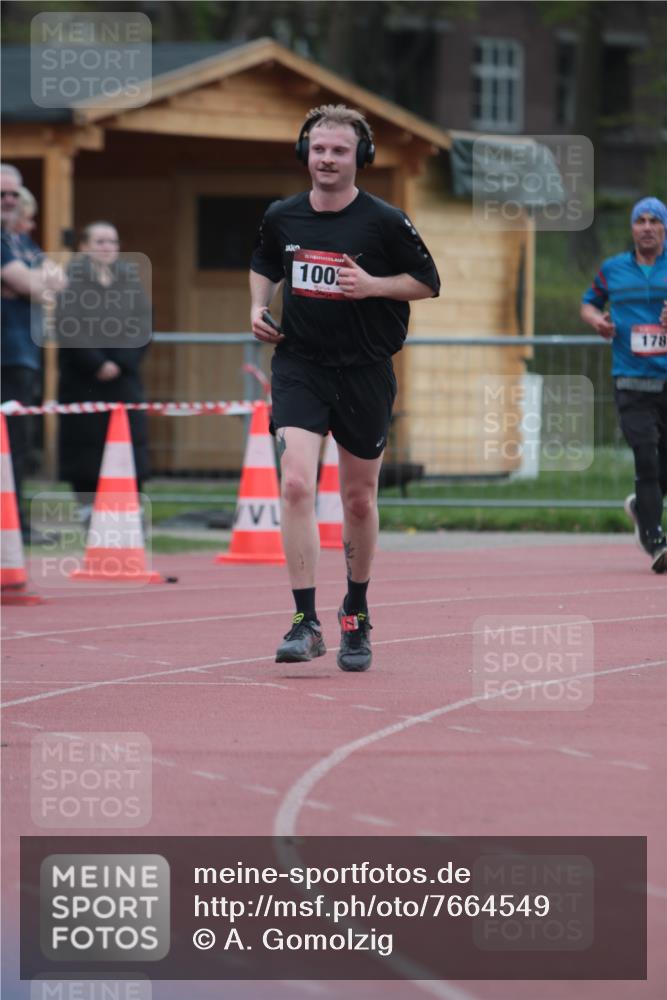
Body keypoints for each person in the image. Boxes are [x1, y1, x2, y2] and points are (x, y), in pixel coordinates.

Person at [250, 104, 440, 670]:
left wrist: (373, 285)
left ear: (361, 156)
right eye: (318, 148)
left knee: (357, 498)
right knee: (295, 485)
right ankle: (304, 622)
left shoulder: (384, 221)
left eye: (338, 150)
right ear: (305, 153)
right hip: (300, 364)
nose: (327, 159)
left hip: (364, 369)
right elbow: (264, 259)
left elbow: (427, 283)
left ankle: (355, 612)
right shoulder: (282, 216)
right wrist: (258, 305)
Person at [581, 196, 667, 574]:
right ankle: (654, 538)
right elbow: (588, 302)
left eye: (654, 220)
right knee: (646, 455)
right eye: (640, 220)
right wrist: (597, 320)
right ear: (632, 228)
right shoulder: (613, 268)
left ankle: (640, 508)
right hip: (631, 380)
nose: (646, 227)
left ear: (664, 227)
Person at [55, 221, 152, 519]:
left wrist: (120, 363)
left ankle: (128, 509)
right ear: (84, 247)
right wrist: (96, 363)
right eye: (100, 241)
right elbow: (67, 325)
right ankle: (87, 508)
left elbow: (143, 323)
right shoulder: (70, 281)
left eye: (112, 241)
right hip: (82, 379)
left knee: (128, 438)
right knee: (84, 442)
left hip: (124, 379)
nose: (107, 247)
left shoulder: (130, 281)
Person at [1, 164, 65, 539]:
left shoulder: (20, 242)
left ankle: (13, 521)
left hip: (21, 353)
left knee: (19, 441)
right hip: (5, 356)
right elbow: (30, 283)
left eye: (14, 194)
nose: (9, 201)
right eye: (2, 194)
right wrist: (31, 283)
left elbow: (56, 282)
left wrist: (30, 284)